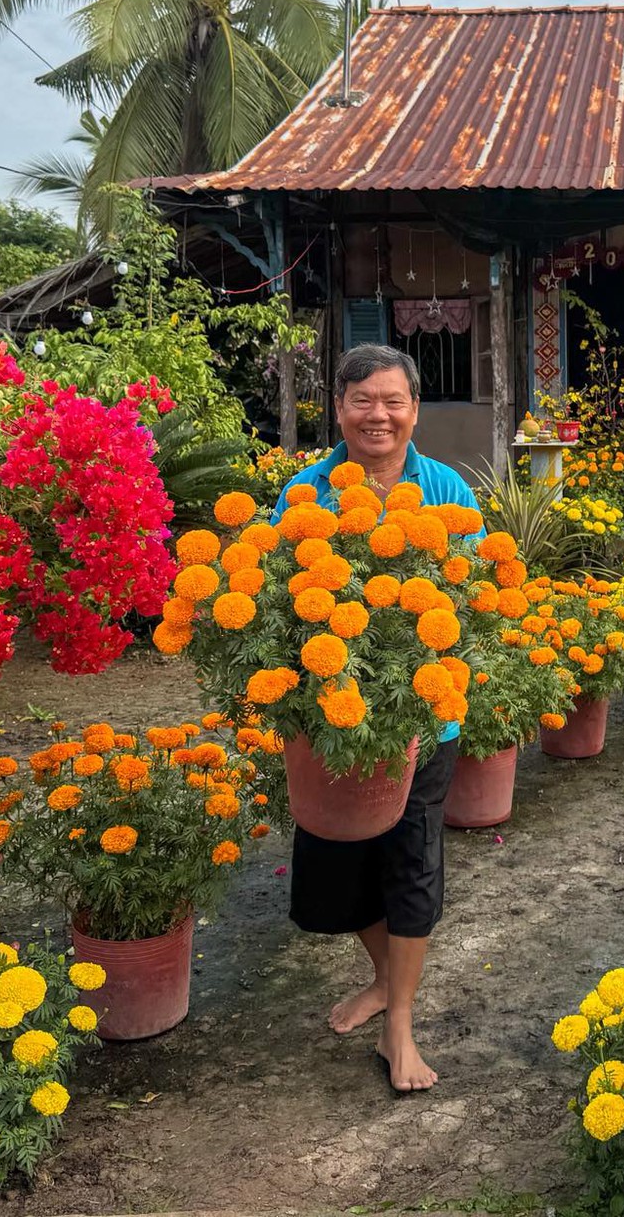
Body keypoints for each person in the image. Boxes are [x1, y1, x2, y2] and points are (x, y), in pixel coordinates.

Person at [271, 343, 479, 1094]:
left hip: (425, 719)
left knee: (411, 869)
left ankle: (400, 1025)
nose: (379, 415)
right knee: (338, 873)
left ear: (414, 409)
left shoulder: (447, 490)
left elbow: (475, 606)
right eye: (363, 400)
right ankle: (384, 983)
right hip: (327, 717)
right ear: (338, 408)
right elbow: (273, 606)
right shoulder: (304, 493)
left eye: (393, 400)